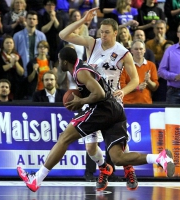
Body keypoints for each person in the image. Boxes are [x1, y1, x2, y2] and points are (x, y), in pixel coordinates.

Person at [17, 47, 175, 192]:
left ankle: (36, 179)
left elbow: (99, 94)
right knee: (117, 158)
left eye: (59, 60)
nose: (59, 63)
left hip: (101, 110)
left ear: (65, 61)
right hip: (116, 110)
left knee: (64, 139)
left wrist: (81, 101)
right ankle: (159, 158)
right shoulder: (82, 68)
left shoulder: (80, 72)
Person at [59, 8, 141, 191]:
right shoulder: (92, 43)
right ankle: (104, 168)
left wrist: (124, 91)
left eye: (106, 32)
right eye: (100, 32)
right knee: (90, 148)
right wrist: (83, 21)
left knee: (119, 143)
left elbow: (135, 79)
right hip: (92, 99)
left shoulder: (123, 52)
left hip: (112, 100)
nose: (102, 35)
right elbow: (63, 34)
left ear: (115, 33)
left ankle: (129, 169)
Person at [13, 10, 47, 99]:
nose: (32, 20)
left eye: (34, 19)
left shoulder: (42, 36)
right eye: (30, 18)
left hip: (38, 72)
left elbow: (45, 54)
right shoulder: (17, 36)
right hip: (22, 72)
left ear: (37, 21)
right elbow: (14, 53)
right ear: (26, 20)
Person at [120, 39, 159, 104]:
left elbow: (155, 87)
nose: (139, 51)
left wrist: (148, 81)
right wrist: (137, 87)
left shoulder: (151, 65)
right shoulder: (124, 66)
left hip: (146, 103)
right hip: (128, 103)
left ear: (144, 50)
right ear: (131, 50)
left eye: (141, 49)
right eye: (136, 49)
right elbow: (121, 86)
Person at [0, 35, 24, 100]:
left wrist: (15, 62)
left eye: (11, 43)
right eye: (7, 43)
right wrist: (11, 64)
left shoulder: (17, 57)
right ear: (3, 45)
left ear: (13, 45)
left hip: (14, 87)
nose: (9, 44)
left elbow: (21, 73)